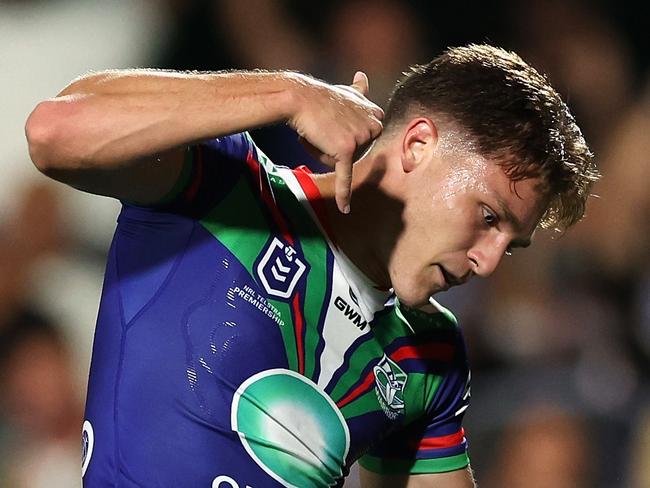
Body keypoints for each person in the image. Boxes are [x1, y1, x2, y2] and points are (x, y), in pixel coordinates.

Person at [25, 44, 598, 487]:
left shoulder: (431, 356)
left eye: (510, 245)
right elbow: (53, 131)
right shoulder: (229, 191)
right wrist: (290, 93)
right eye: (489, 217)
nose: (490, 261)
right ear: (418, 145)